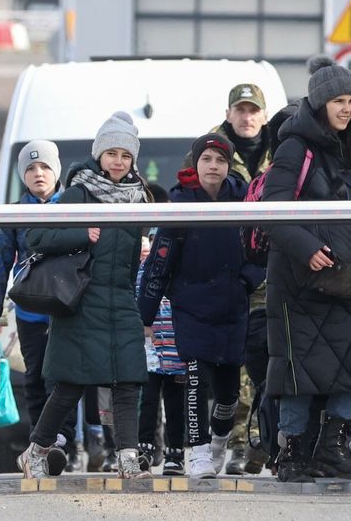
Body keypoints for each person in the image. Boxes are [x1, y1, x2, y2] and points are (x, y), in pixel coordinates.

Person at [264, 56, 351, 483]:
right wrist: (308, 248)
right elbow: (272, 209)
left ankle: (331, 448)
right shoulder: (294, 147)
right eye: (338, 101)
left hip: (347, 276)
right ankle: (293, 453)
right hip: (301, 279)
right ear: (319, 104)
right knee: (300, 371)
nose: (347, 108)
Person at [18, 112, 151, 479]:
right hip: (81, 303)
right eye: (112, 153)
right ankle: (35, 452)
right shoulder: (79, 192)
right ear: (99, 154)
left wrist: (144, 247)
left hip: (121, 302)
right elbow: (36, 237)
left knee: (128, 382)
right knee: (70, 385)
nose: (118, 161)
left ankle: (128, 459)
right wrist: (81, 233)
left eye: (126, 155)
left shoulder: (139, 199)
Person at [139, 133, 265, 479]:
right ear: (195, 164)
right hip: (191, 308)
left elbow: (261, 248)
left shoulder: (243, 199)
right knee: (195, 381)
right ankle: (197, 451)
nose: (213, 166)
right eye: (206, 159)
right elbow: (159, 264)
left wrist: (246, 281)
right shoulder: (180, 204)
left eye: (220, 160)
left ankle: (219, 441)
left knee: (228, 395)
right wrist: (145, 314)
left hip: (232, 307)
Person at [0, 140, 73, 474]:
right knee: (35, 378)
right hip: (30, 312)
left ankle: (63, 442)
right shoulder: (15, 212)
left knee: (65, 378)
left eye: (44, 167)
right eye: (30, 168)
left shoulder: (75, 206)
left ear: (56, 171)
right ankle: (40, 446)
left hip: (68, 309)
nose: (38, 174)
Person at [202, 83, 272, 475]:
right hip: (228, 276)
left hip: (270, 275)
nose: (247, 117)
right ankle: (238, 444)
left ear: (264, 114)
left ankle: (262, 441)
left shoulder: (281, 148)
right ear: (228, 113)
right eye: (240, 110)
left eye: (253, 110)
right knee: (234, 366)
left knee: (265, 361)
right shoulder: (210, 151)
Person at [136, 230, 188, 476]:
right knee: (148, 401)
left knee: (176, 404)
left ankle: (175, 453)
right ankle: (144, 449)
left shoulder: (184, 271)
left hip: (178, 351)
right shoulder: (143, 272)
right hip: (151, 351)